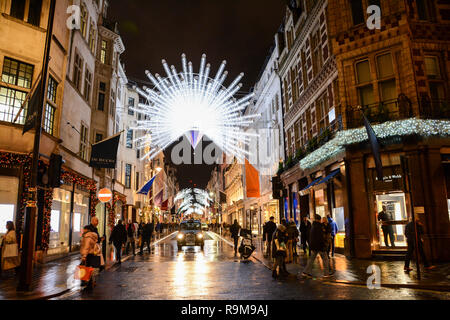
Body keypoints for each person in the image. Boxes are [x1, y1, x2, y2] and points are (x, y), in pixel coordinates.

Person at [80, 225, 100, 289]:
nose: (83, 230)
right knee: (89, 268)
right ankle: (90, 282)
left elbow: (86, 247)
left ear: (87, 229)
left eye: (84, 229)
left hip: (88, 254)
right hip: (92, 254)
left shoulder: (87, 236)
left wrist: (84, 256)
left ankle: (86, 282)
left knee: (84, 268)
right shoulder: (92, 236)